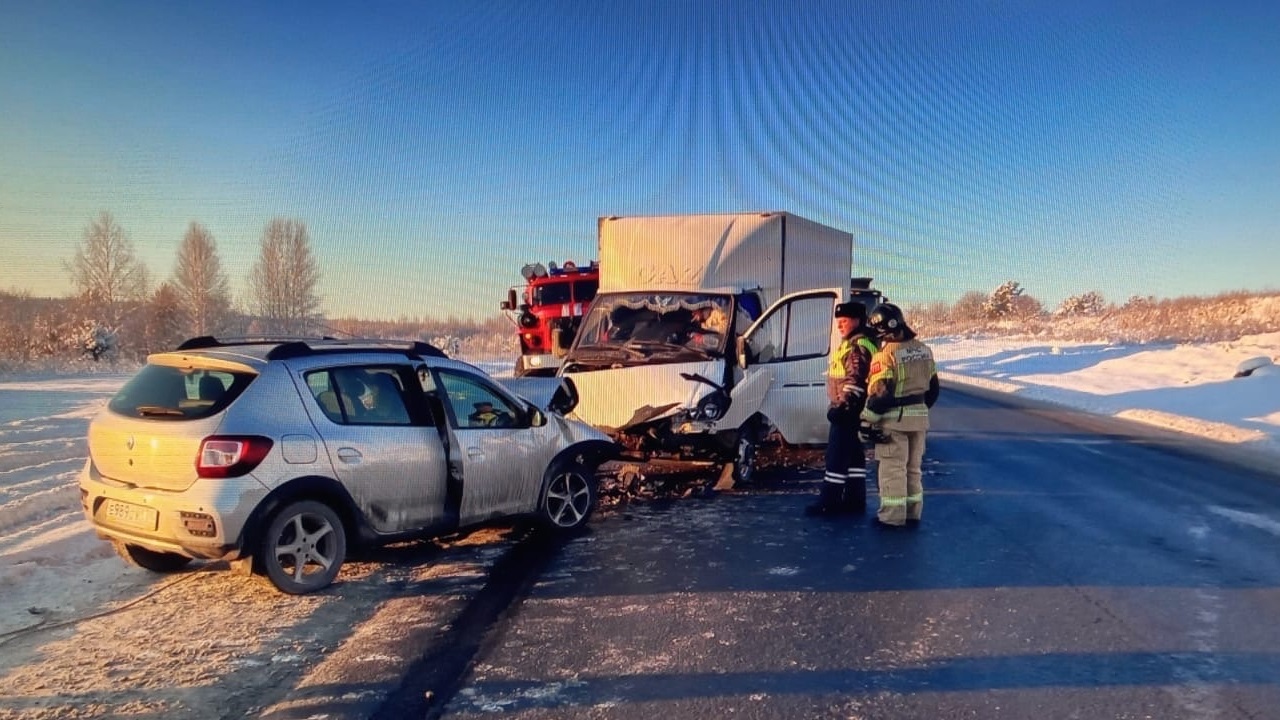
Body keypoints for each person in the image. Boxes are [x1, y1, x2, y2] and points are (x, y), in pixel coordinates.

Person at [860, 303, 940, 528]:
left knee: (893, 470)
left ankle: (892, 517)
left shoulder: (885, 355)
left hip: (894, 422)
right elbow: (933, 389)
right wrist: (919, 411)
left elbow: (881, 392)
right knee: (913, 469)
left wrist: (867, 419)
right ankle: (913, 513)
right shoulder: (925, 350)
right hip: (919, 420)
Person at [806, 301, 878, 516]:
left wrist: (842, 406)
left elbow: (855, 378)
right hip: (854, 408)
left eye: (844, 321)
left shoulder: (857, 345)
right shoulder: (858, 342)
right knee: (854, 455)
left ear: (857, 320)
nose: (840, 326)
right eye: (838, 322)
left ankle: (829, 502)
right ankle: (855, 499)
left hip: (847, 409)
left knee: (836, 456)